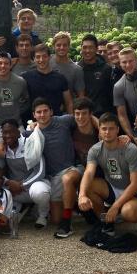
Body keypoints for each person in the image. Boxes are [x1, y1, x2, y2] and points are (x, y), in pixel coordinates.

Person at [78, 113, 137, 234]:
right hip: (113, 188)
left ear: (117, 130)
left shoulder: (129, 149)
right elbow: (89, 172)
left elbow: (136, 183)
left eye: (111, 128)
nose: (107, 132)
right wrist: (82, 195)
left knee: (128, 212)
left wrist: (115, 206)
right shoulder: (95, 149)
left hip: (134, 191)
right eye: (104, 128)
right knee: (88, 187)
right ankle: (106, 221)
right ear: (99, 130)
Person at [30, 98, 82, 237]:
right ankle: (74, 204)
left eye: (45, 111)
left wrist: (100, 129)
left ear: (51, 111)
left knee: (67, 178)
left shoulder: (64, 120)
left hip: (72, 168)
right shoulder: (32, 133)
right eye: (38, 112)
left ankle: (67, 224)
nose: (42, 115)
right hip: (52, 177)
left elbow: (86, 116)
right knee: (55, 219)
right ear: (34, 115)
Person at [0, 119, 50, 228]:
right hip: (15, 191)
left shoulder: (30, 143)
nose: (7, 136)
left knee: (40, 192)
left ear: (18, 132)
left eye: (10, 132)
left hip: (32, 187)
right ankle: (21, 208)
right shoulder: (2, 149)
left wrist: (22, 185)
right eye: (4, 133)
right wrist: (8, 183)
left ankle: (43, 215)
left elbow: (40, 171)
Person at [22, 44, 73, 121]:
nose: (41, 60)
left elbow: (68, 103)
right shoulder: (26, 77)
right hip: (34, 124)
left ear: (49, 57)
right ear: (34, 59)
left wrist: (71, 121)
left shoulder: (60, 78)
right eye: (38, 57)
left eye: (44, 56)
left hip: (57, 122)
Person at [113, 48, 137, 145]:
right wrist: (132, 137)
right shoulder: (119, 86)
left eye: (131, 61)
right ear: (120, 64)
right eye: (124, 62)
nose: (128, 65)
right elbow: (122, 115)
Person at [77, 34, 112, 117]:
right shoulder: (77, 69)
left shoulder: (106, 69)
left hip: (104, 115)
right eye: (84, 47)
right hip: (84, 115)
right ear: (81, 49)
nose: (87, 50)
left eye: (90, 47)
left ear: (96, 49)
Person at [50, 31, 85, 98]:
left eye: (65, 45)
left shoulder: (77, 70)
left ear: (69, 46)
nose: (62, 48)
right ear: (53, 46)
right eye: (58, 45)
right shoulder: (46, 62)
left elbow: (81, 96)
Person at [72, 97, 100, 167]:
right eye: (77, 113)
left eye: (84, 113)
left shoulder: (100, 132)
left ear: (91, 114)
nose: (80, 117)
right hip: (80, 169)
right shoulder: (70, 129)